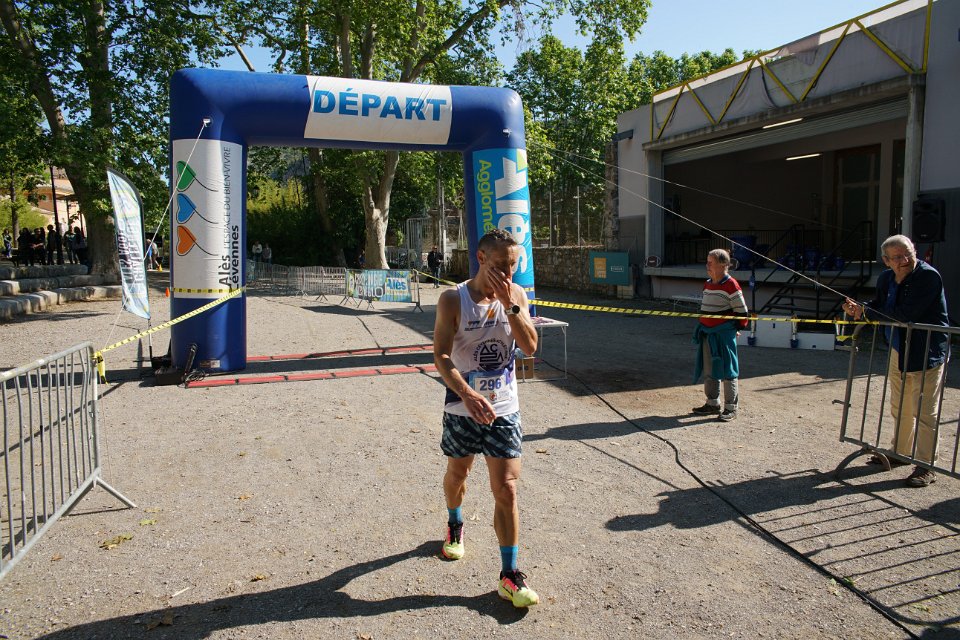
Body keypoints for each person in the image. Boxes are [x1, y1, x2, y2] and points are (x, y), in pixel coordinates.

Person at [433, 228, 540, 608]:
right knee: (458, 474)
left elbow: (530, 347)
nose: (508, 273)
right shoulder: (453, 299)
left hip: (504, 409)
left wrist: (511, 305)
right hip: (462, 408)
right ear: (480, 259)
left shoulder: (516, 295)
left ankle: (509, 575)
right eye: (500, 265)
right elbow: (441, 356)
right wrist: (467, 393)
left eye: (513, 266)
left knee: (506, 489)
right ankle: (454, 521)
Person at [844, 235, 949, 487]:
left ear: (915, 252)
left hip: (926, 351)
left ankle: (926, 464)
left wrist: (868, 312)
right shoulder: (885, 278)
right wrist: (860, 309)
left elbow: (906, 314)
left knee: (925, 411)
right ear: (886, 261)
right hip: (898, 349)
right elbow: (880, 305)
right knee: (899, 405)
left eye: (908, 254)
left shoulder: (928, 277)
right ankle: (900, 453)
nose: (904, 260)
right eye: (897, 257)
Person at [692, 248, 749, 422]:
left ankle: (731, 407)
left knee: (729, 370)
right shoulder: (707, 283)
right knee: (709, 369)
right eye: (707, 262)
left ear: (723, 265)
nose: (707, 266)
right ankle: (712, 403)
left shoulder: (731, 285)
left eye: (711, 262)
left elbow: (742, 312)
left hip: (724, 335)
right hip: (707, 334)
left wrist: (736, 328)